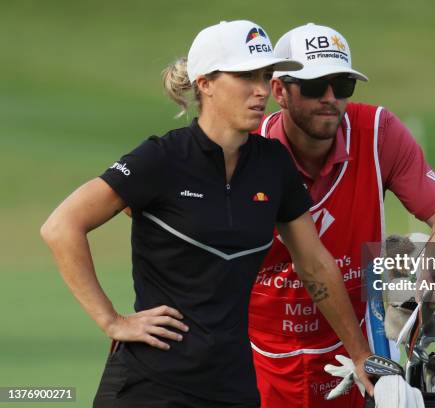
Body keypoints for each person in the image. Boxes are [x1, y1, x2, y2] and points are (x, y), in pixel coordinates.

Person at [40, 20, 374, 408]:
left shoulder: (272, 164)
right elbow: (61, 226)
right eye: (246, 76)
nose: (261, 90)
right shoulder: (161, 158)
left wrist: (360, 354)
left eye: (266, 76)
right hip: (150, 385)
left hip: (233, 386)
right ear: (205, 83)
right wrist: (111, 320)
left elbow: (314, 264)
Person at [248, 23, 435, 407]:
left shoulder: (377, 132)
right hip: (259, 352)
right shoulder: (249, 148)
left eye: (343, 85)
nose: (331, 98)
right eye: (316, 86)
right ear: (280, 91)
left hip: (360, 351)